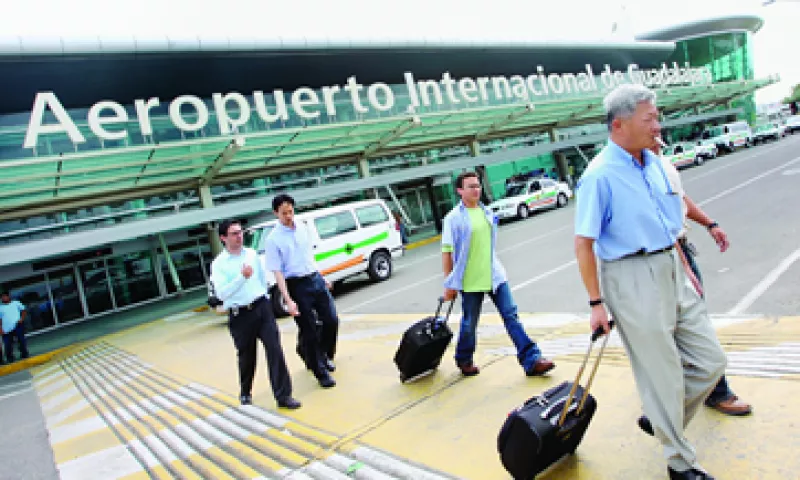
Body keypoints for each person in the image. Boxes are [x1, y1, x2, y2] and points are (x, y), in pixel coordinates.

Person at [574, 83, 726, 480]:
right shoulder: (599, 176)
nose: (658, 124)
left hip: (673, 266)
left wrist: (688, 264)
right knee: (662, 374)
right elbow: (583, 244)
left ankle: (662, 420)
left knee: (711, 361)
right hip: (631, 276)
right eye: (650, 118)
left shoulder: (655, 162)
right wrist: (596, 304)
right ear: (620, 124)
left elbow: (673, 214)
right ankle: (681, 463)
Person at [652, 138, 752, 418]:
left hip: (680, 248)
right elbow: (658, 223)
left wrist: (710, 223)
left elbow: (681, 200)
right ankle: (713, 392)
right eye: (649, 121)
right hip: (665, 255)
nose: (658, 133)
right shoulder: (639, 172)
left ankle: (699, 388)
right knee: (685, 327)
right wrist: (683, 267)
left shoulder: (663, 164)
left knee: (688, 324)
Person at [442, 171, 555, 377]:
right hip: (470, 280)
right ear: (460, 191)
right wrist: (449, 284)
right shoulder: (453, 218)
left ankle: (532, 360)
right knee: (469, 324)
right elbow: (447, 251)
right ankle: (464, 358)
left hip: (495, 276)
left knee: (511, 316)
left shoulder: (487, 212)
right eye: (471, 186)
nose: (476, 189)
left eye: (478, 185)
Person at [210, 219, 300, 409]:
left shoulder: (251, 254)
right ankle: (245, 391)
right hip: (240, 315)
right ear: (223, 238)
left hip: (261, 308)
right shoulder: (219, 264)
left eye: (240, 232)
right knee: (246, 356)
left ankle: (283, 395)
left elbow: (260, 279)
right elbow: (222, 293)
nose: (239, 236)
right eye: (234, 234)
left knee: (275, 349)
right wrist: (242, 277)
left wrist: (265, 300)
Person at [264, 194, 338, 389]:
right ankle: (320, 371)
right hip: (296, 285)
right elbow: (277, 272)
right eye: (284, 213)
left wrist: (322, 277)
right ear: (276, 213)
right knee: (309, 330)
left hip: (315, 279)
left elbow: (309, 257)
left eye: (290, 211)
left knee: (331, 320)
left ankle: (323, 354)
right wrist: (287, 299)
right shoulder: (273, 239)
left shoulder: (303, 227)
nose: (288, 216)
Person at [0, 291, 29, 363]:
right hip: (6, 329)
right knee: (7, 344)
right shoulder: (0, 307)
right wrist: (0, 329)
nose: (4, 298)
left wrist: (21, 319)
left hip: (17, 325)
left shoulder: (16, 303)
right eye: (2, 297)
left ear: (8, 296)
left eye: (5, 296)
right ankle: (10, 357)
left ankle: (24, 353)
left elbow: (24, 310)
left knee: (21, 340)